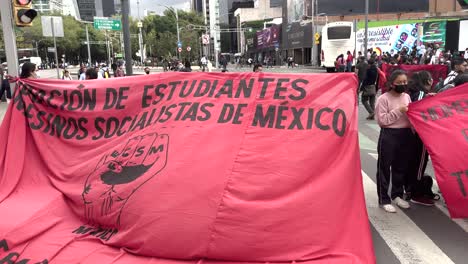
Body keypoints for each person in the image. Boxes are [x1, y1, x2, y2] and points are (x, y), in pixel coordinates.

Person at [375, 70, 412, 213]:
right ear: (392, 84)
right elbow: (382, 121)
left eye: (405, 82)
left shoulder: (407, 96)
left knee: (400, 167)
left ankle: (397, 194)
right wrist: (399, 111)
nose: (403, 85)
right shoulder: (383, 99)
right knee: (384, 167)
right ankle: (384, 198)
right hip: (389, 134)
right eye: (400, 82)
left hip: (406, 134)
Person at [407, 71, 436, 206]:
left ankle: (410, 188)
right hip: (420, 135)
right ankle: (416, 193)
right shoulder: (420, 94)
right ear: (428, 81)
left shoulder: (416, 93)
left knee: (414, 162)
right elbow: (417, 110)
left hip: (414, 135)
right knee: (419, 163)